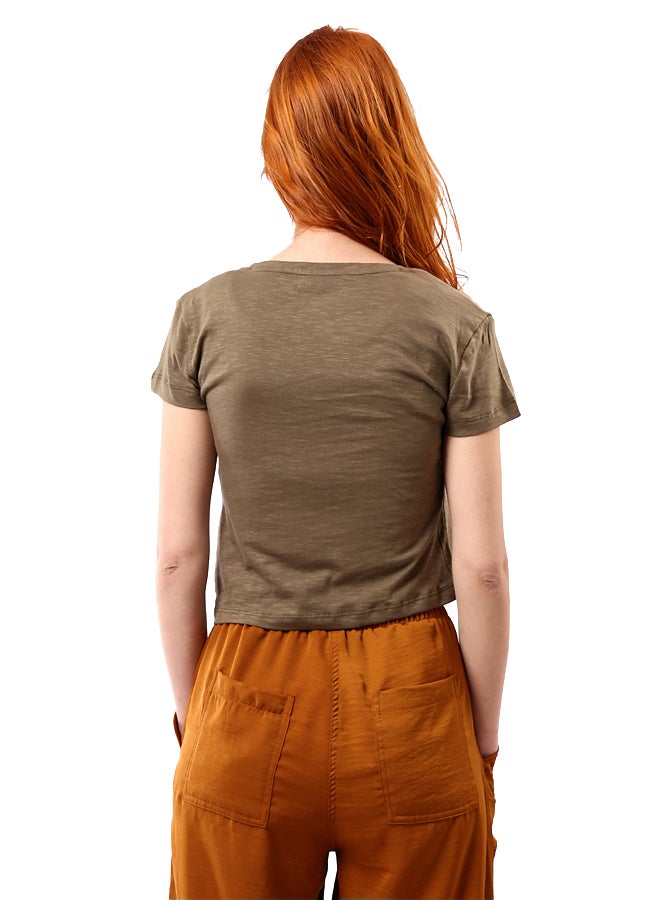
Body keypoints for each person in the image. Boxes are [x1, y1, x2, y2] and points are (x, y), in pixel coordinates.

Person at [151, 24, 521, 900]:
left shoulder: (206, 316)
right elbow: (483, 567)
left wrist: (200, 717)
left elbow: (176, 559)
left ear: (279, 155)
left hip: (244, 690)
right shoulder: (454, 325)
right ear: (390, 143)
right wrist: (480, 741)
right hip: (413, 698)